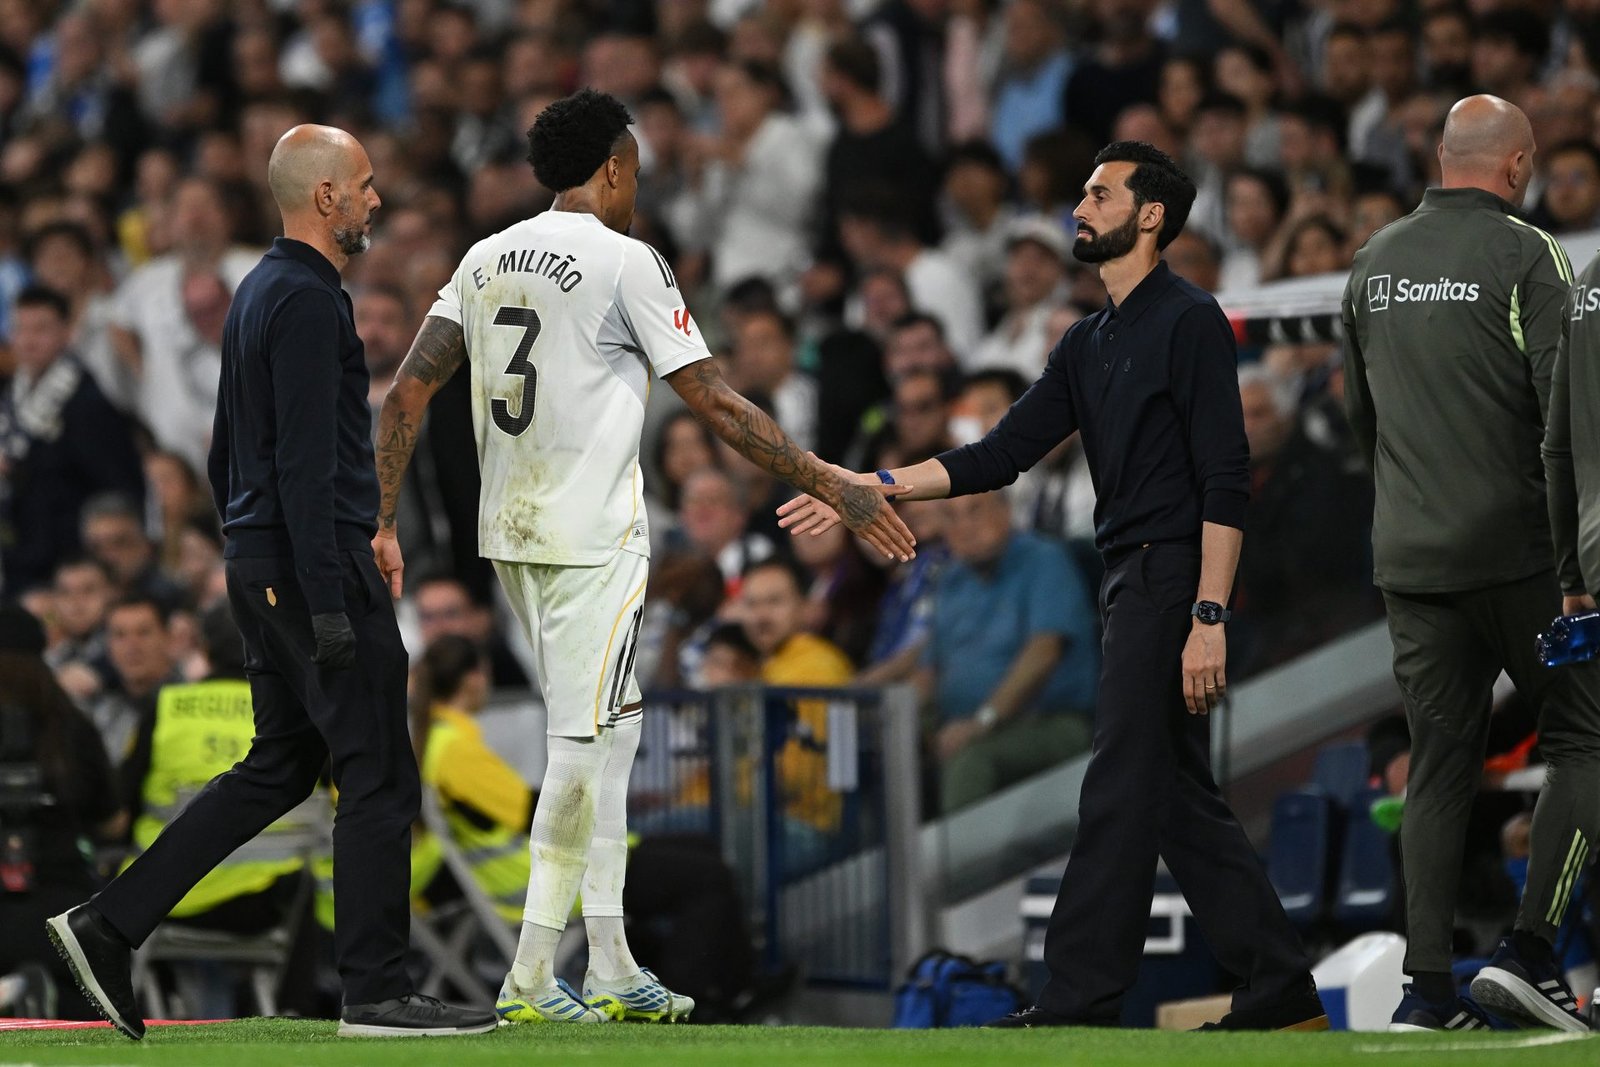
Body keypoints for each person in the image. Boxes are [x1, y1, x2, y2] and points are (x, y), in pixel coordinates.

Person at [370, 89, 912, 1027]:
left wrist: (384, 519)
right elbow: (719, 404)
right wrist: (832, 481)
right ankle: (532, 974)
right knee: (581, 745)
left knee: (612, 732)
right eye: (635, 171)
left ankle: (614, 958)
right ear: (614, 167)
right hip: (591, 537)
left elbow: (404, 397)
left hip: (511, 535)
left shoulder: (482, 257)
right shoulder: (628, 262)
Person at [779, 140, 1323, 1031]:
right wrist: (870, 483)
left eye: (1101, 195)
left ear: (1151, 216)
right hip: (1127, 578)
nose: (1081, 206)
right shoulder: (1085, 341)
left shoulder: (1190, 319)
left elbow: (1225, 477)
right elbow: (1000, 454)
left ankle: (1077, 1000)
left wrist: (1209, 613)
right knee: (1174, 798)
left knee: (1116, 785)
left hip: (1172, 574)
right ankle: (1281, 987)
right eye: (1083, 193)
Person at [46, 124, 496, 1041]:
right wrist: (327, 594)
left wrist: (253, 558)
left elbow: (224, 453)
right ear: (325, 197)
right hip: (309, 561)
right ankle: (376, 991)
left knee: (283, 765)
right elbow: (301, 462)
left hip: (266, 559)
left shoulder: (259, 290)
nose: (375, 198)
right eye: (363, 184)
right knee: (377, 767)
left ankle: (108, 923)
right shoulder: (306, 298)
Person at [1345, 94, 1600, 1033]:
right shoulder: (1530, 255)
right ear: (1518, 164)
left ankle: (1425, 992)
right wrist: (1577, 567)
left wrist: (1412, 503)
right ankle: (1532, 951)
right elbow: (1568, 420)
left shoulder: (1371, 261)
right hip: (1523, 551)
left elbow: (1360, 417)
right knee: (1587, 737)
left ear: (1443, 156)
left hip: (1410, 556)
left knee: (1439, 760)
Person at [919, 490, 1097, 813]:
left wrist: (982, 721)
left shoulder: (1043, 559)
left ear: (1006, 511)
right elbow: (929, 669)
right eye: (951, 516)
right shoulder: (951, 580)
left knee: (971, 762)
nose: (964, 526)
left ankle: (966, 849)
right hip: (962, 725)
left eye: (975, 510)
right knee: (888, 760)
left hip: (1049, 722)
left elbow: (1043, 652)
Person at [0, 604, 123, 1021]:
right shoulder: (71, 726)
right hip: (64, 916)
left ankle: (13, 994)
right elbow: (112, 822)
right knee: (79, 1006)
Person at [0, 286, 145, 597]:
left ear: (66, 332)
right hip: (20, 558)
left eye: (40, 329)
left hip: (70, 570)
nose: (27, 340)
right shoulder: (11, 396)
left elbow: (118, 490)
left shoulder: (88, 404)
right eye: (20, 329)